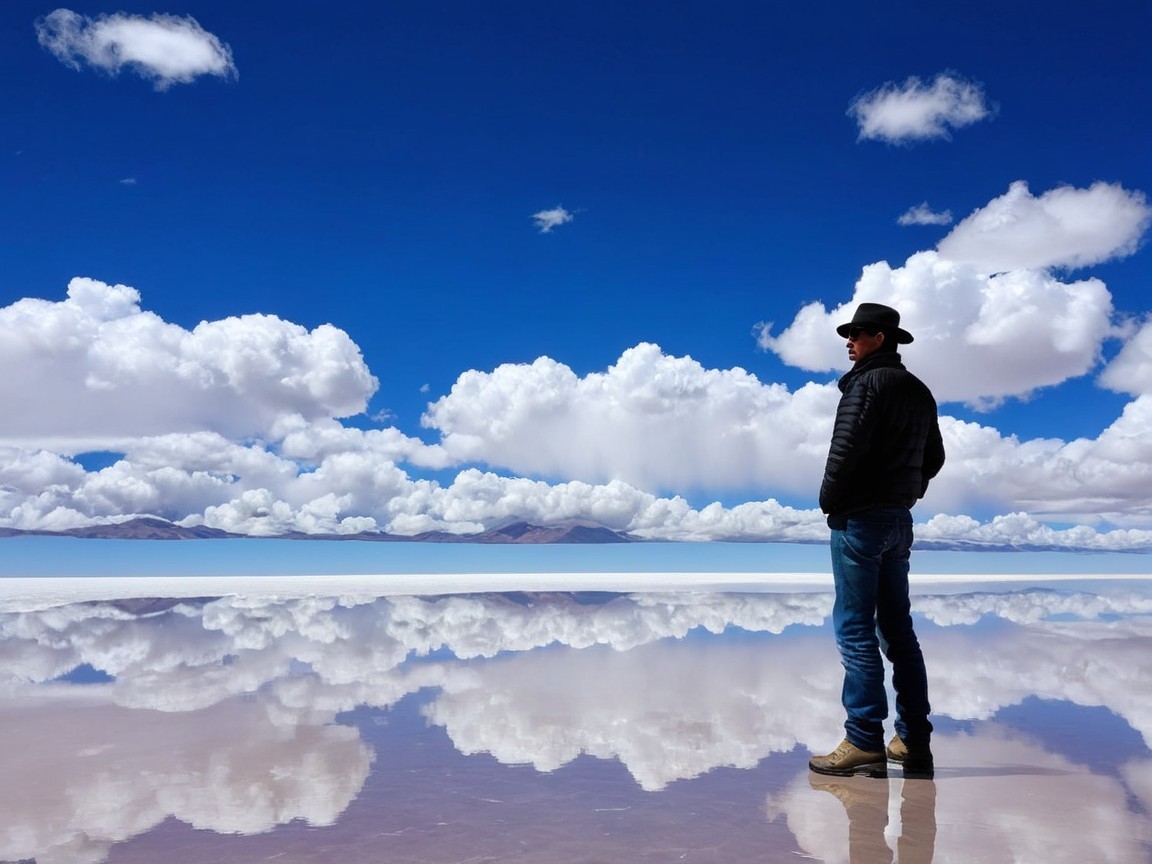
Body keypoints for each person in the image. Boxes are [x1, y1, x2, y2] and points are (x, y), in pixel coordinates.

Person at [808, 302, 944, 779]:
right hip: (897, 520)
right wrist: (906, 491)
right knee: (898, 631)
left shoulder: (866, 384)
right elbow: (935, 456)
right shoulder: (919, 391)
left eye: (858, 334)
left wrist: (831, 502)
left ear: (880, 339)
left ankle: (864, 739)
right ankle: (912, 740)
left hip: (860, 520)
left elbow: (844, 450)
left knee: (854, 629)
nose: (850, 341)